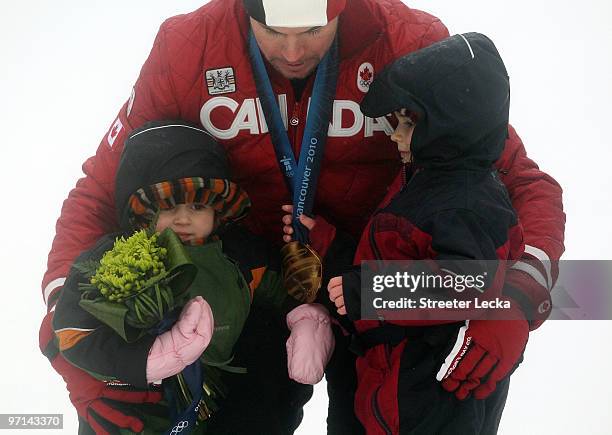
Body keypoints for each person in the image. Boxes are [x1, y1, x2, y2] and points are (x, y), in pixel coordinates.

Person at [39, 1, 565, 433]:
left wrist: (515, 294)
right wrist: (70, 331)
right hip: (233, 292)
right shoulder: (187, 48)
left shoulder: (405, 39)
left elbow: (518, 180)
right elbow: (100, 190)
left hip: (378, 297)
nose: (292, 51)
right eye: (271, 29)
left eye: (313, 28)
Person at [51, 120, 335, 434]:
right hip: (134, 405)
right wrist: (142, 361)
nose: (183, 218)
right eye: (168, 207)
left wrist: (308, 323)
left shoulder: (241, 254)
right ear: (145, 211)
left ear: (218, 209)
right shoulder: (114, 257)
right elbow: (73, 330)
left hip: (218, 401)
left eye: (197, 206)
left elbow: (284, 295)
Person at [309, 33, 531, 434]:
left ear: (448, 126)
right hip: (390, 381)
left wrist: (373, 291)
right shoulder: (428, 180)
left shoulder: (465, 202)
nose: (394, 133)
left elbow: (467, 282)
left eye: (406, 123)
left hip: (435, 391)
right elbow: (395, 251)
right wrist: (330, 244)